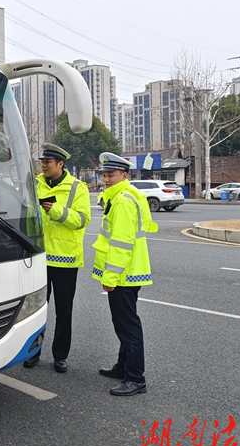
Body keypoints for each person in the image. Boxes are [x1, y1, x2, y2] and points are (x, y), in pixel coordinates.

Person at [92, 152, 158, 396]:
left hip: (123, 274)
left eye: (111, 175)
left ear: (124, 175)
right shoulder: (126, 195)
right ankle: (123, 367)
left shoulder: (122, 201)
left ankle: (135, 378)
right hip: (130, 272)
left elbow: (121, 243)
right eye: (105, 175)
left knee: (127, 326)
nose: (107, 179)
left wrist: (109, 278)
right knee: (124, 323)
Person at [24, 144, 91, 372]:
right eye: (42, 162)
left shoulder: (77, 188)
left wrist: (55, 210)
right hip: (39, 258)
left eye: (48, 162)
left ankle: (60, 356)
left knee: (64, 311)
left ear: (60, 164)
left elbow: (82, 220)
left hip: (65, 260)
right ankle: (32, 352)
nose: (43, 165)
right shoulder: (35, 184)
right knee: (35, 310)